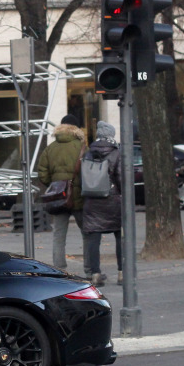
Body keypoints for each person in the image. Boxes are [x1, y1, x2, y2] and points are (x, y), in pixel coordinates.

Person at [37, 114, 88, 273]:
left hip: (59, 198)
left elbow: (42, 173)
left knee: (59, 235)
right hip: (79, 196)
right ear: (77, 128)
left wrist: (55, 185)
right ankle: (89, 268)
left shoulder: (51, 148)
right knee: (87, 233)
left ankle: (60, 269)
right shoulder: (82, 147)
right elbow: (89, 171)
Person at [80, 121, 123, 286]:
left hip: (92, 202)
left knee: (93, 239)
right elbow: (121, 177)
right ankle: (122, 273)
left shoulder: (88, 153)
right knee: (120, 236)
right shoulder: (116, 153)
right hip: (113, 201)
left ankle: (95, 274)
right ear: (111, 135)